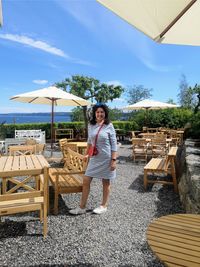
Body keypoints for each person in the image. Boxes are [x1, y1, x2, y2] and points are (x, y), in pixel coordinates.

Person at [69, 103, 117, 215]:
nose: (100, 114)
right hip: (94, 158)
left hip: (106, 158)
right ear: (94, 113)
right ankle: (82, 207)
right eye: (98, 112)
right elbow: (90, 142)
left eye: (102, 112)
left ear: (105, 114)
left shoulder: (109, 125)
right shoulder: (91, 125)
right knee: (86, 180)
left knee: (106, 182)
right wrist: (87, 154)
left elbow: (114, 144)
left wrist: (113, 160)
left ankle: (103, 205)